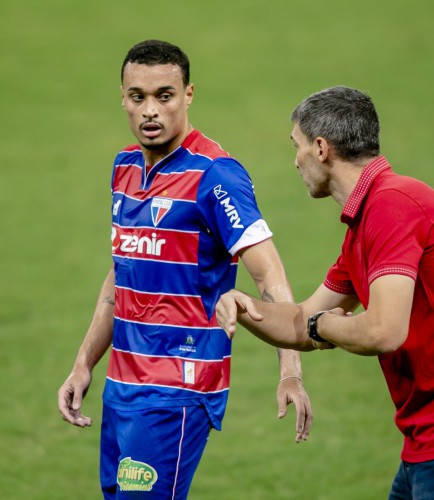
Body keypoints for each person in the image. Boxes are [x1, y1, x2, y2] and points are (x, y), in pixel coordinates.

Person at [217, 86, 434, 499]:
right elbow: (302, 321)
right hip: (431, 436)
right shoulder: (366, 223)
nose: (295, 161)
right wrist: (244, 305)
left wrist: (323, 326)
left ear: (322, 148)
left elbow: (383, 330)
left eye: (298, 146)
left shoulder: (393, 207)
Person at [57, 40, 312, 499]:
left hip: (176, 389)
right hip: (121, 386)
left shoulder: (217, 175)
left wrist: (290, 369)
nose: (150, 111)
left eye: (164, 96)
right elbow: (121, 276)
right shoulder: (124, 168)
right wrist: (82, 365)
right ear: (122, 98)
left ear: (188, 94)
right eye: (138, 97)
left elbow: (269, 276)